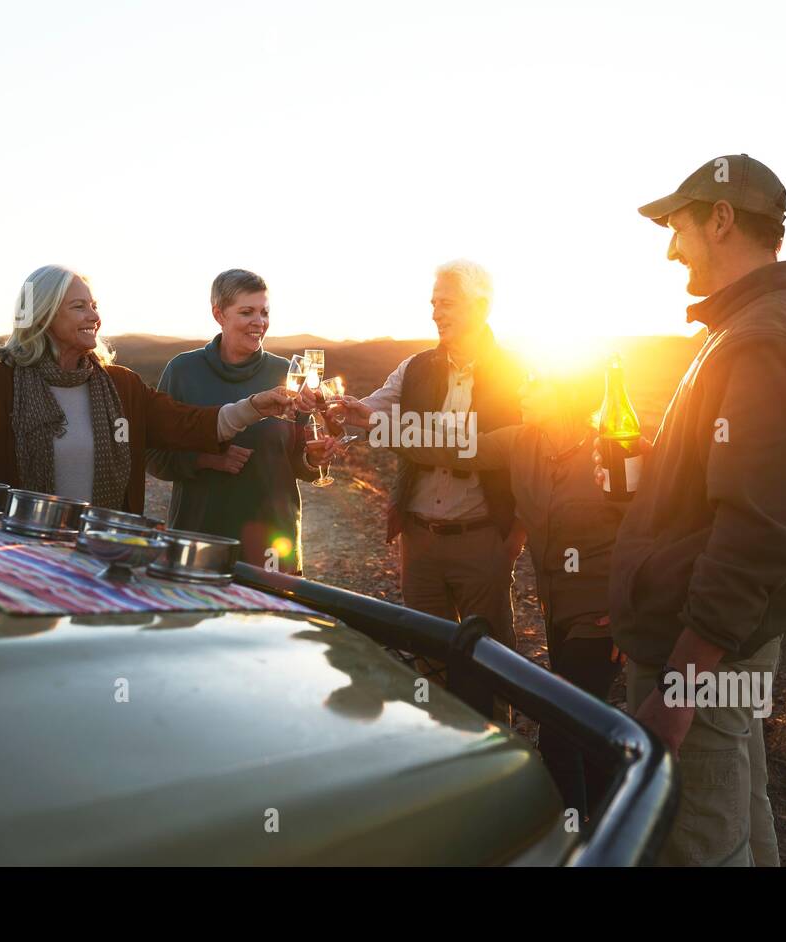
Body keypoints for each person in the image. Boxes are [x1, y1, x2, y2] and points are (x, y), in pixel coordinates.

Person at [597, 155, 786, 865]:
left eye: (678, 227)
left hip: (703, 656)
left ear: (719, 218)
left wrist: (678, 683)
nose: (670, 248)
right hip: (723, 646)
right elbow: (737, 495)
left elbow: (752, 535)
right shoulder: (772, 326)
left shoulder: (761, 341)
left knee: (697, 844)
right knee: (743, 817)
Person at [361, 368, 624, 816]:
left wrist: (628, 607)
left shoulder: (613, 449)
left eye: (535, 382)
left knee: (562, 734)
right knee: (583, 727)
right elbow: (450, 446)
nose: (521, 388)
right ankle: (598, 832)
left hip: (601, 615)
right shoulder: (522, 441)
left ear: (566, 393)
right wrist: (370, 420)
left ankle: (581, 841)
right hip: (557, 610)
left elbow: (653, 526)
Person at [0, 265, 301, 512]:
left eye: (94, 305)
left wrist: (255, 405)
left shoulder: (121, 386)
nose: (94, 316)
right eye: (79, 307)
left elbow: (190, 424)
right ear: (43, 314)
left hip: (102, 555)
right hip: (16, 554)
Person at [335, 260, 524, 721]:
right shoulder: (414, 368)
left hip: (482, 537)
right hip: (418, 539)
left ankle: (495, 750)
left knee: (491, 657)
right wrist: (338, 413)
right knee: (426, 654)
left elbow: (481, 448)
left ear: (481, 306)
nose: (437, 312)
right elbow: (369, 410)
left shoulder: (518, 371)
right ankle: (439, 745)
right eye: (434, 303)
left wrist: (512, 541)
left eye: (448, 303)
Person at [146, 269, 337, 573]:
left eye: (264, 312)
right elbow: (153, 456)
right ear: (219, 314)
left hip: (274, 540)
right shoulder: (183, 371)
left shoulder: (289, 373)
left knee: (273, 620)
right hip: (199, 535)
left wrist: (314, 458)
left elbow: (302, 460)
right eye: (247, 312)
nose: (259, 322)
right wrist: (206, 458)